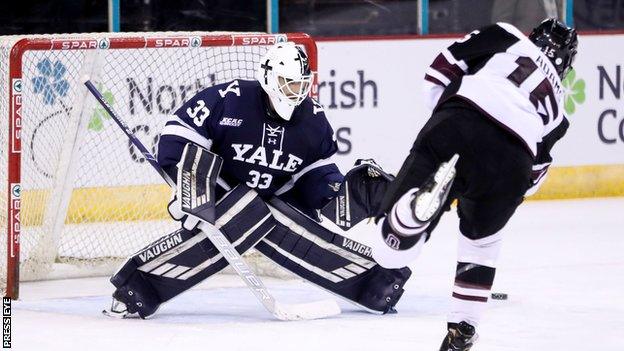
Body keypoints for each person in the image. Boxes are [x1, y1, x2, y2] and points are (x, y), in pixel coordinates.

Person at [106, 41, 411, 319]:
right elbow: (178, 135)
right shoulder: (230, 99)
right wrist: (191, 186)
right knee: (247, 211)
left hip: (271, 199)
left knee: (257, 213)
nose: (295, 92)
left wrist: (337, 194)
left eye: (301, 84)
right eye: (287, 83)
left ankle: (377, 284)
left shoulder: (313, 119)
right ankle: (139, 285)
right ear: (268, 78)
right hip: (221, 192)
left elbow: (315, 172)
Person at [371, 19, 578, 350]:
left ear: (532, 37)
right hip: (514, 162)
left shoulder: (506, 35)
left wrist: (447, 122)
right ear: (566, 64)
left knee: (391, 252)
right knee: (481, 245)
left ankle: (412, 214)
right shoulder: (560, 113)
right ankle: (463, 330)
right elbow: (533, 181)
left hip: (461, 120)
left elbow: (438, 73)